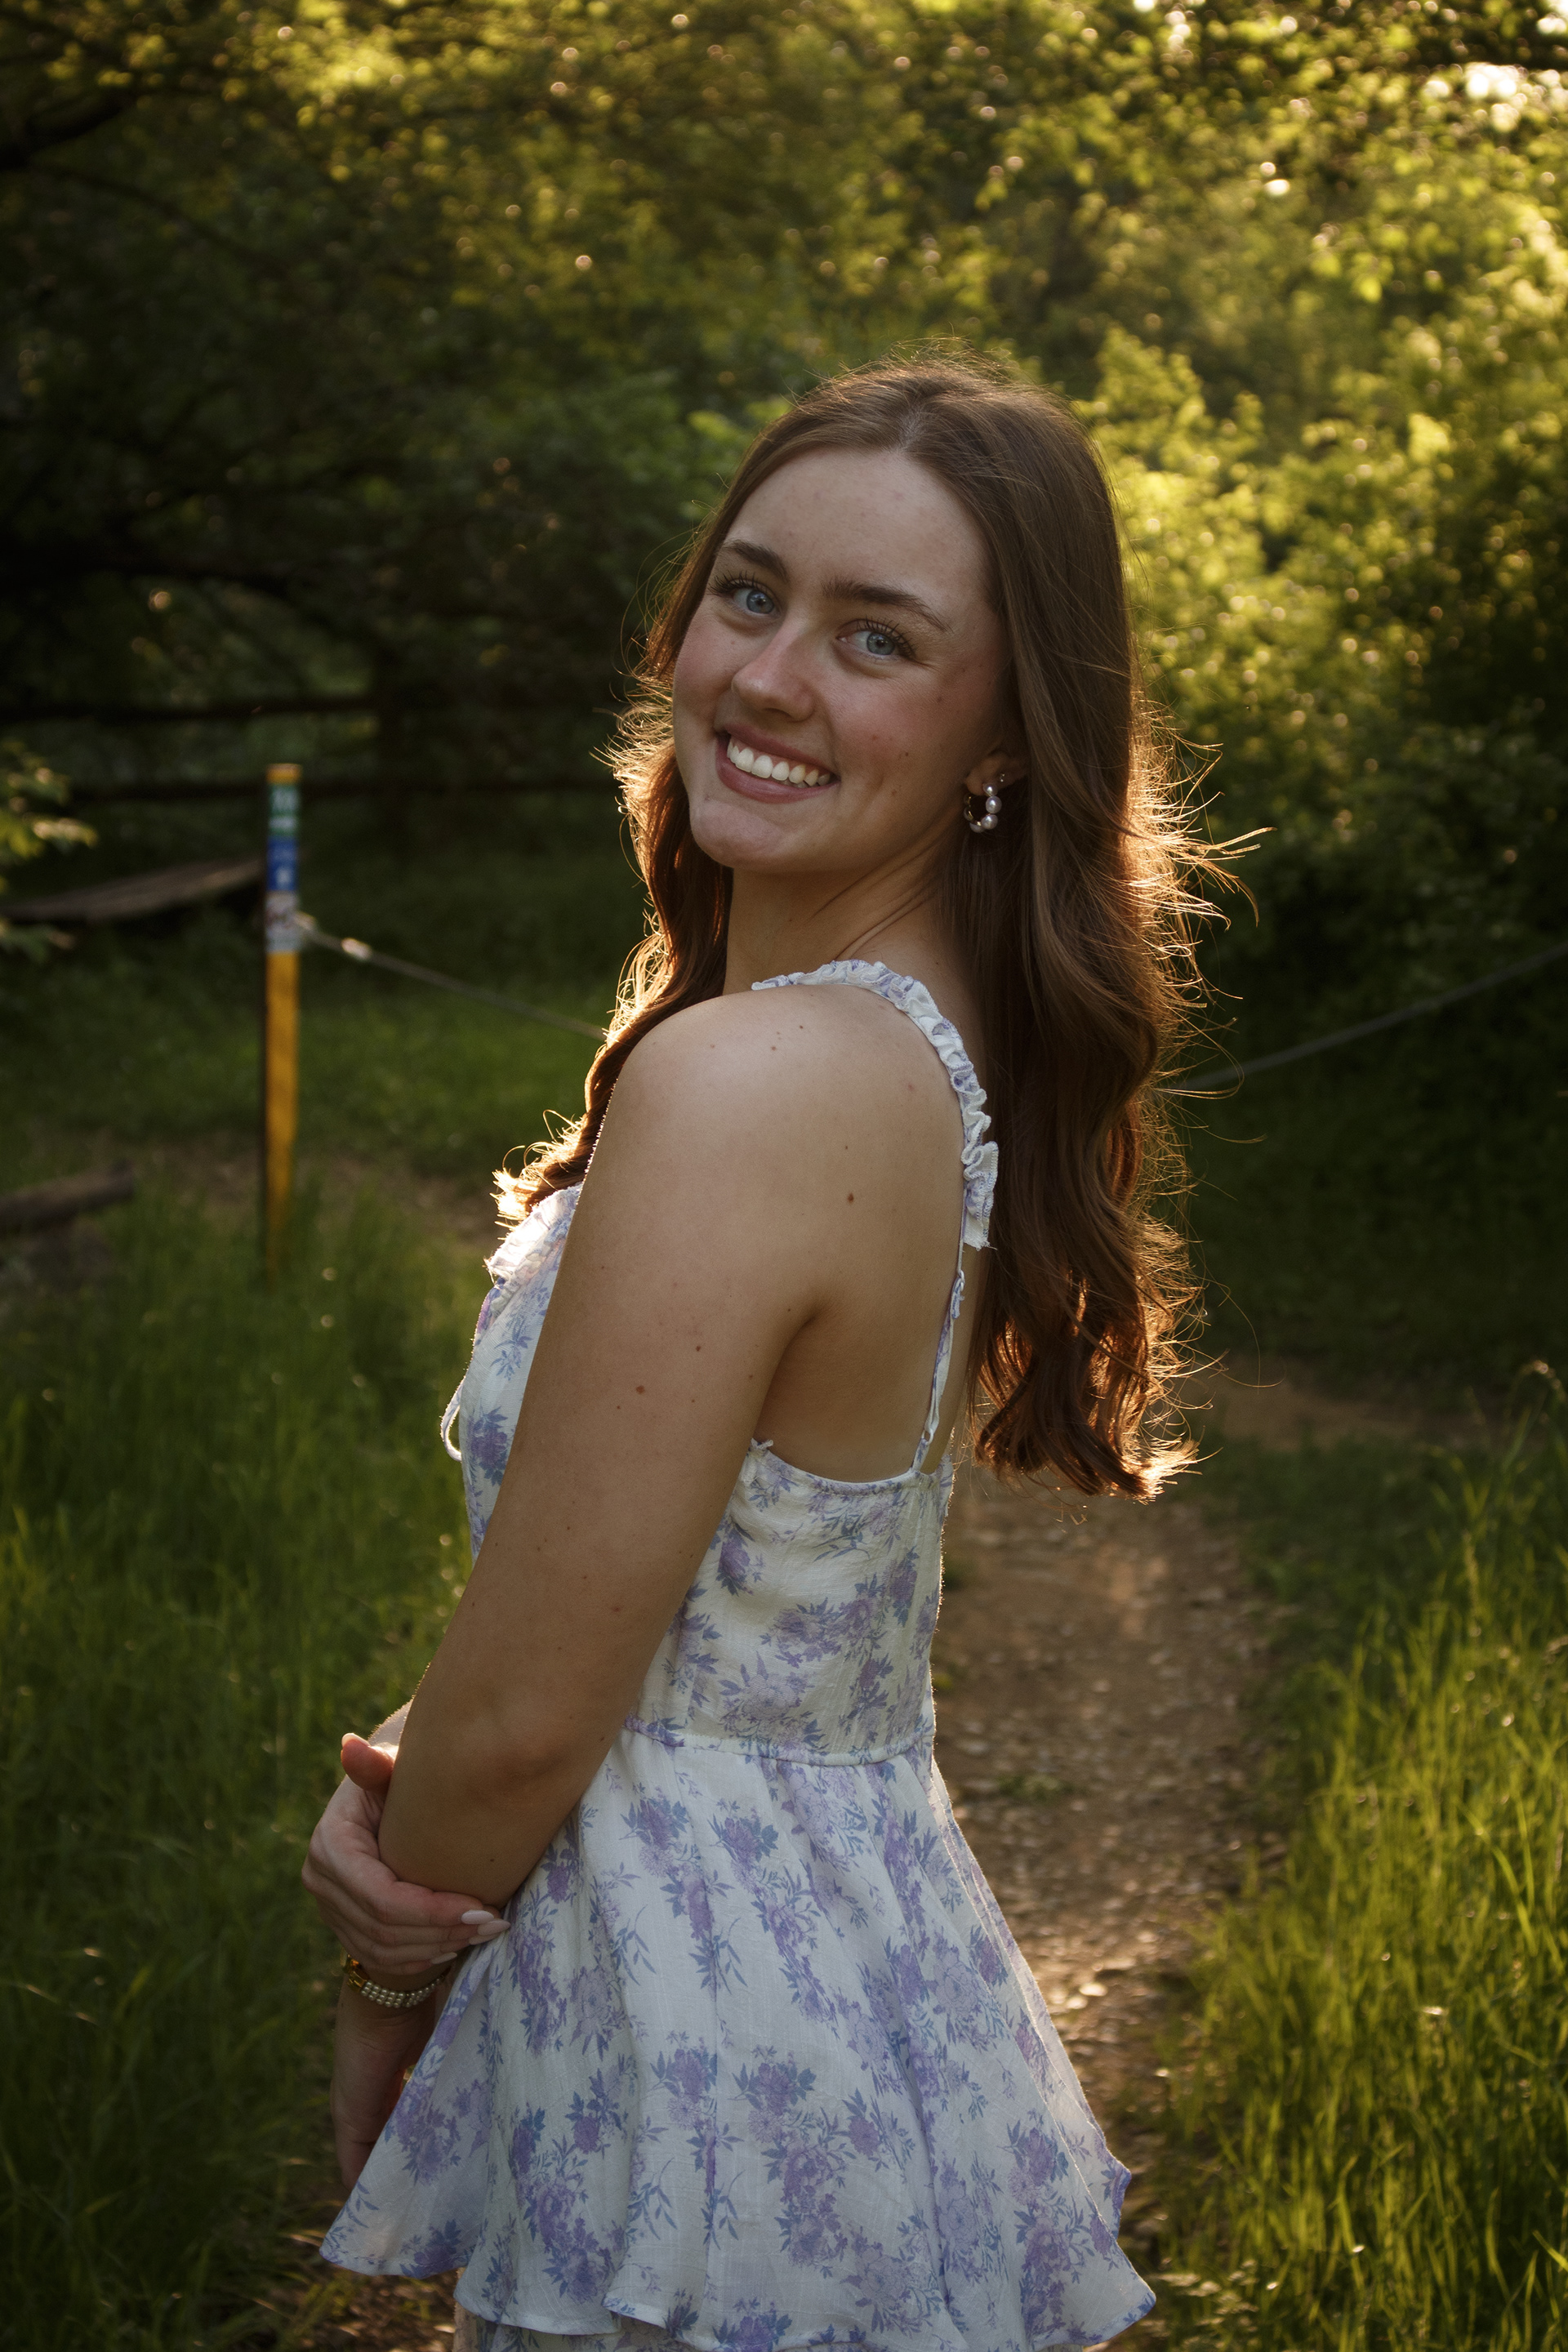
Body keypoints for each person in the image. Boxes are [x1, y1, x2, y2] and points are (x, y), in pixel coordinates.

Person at [303, 355, 1214, 2352]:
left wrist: (391, 1977)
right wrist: (437, 1748)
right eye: (751, 593)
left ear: (1003, 733)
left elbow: (544, 1719)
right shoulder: (905, 1045)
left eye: (876, 637)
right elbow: (681, 1601)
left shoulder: (761, 1079)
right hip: (847, 1995)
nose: (769, 675)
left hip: (700, 2061)